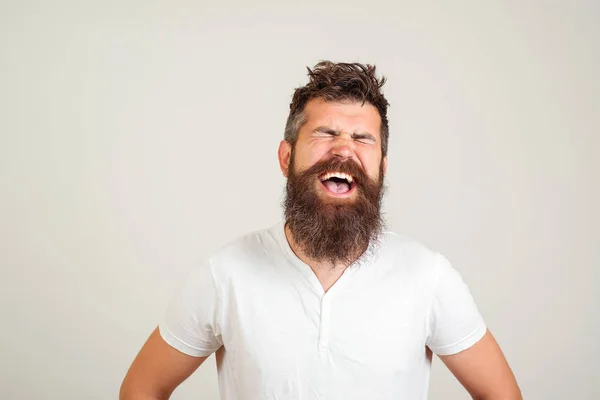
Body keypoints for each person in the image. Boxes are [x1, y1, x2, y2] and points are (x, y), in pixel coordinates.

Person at [120, 61, 522, 400]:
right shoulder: (224, 274)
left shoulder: (428, 275)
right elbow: (140, 389)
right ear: (286, 156)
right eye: (326, 133)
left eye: (363, 138)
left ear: (382, 168)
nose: (344, 149)